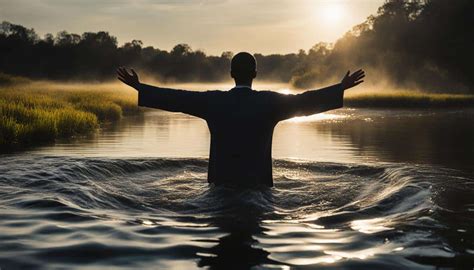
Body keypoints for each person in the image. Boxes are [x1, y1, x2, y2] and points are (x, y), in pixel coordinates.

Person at [117, 52, 364, 187]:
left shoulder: (213, 102)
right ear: (255, 74)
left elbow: (178, 98)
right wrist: (339, 88)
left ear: (231, 74)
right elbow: (304, 101)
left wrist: (141, 87)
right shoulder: (270, 103)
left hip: (220, 187)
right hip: (258, 188)